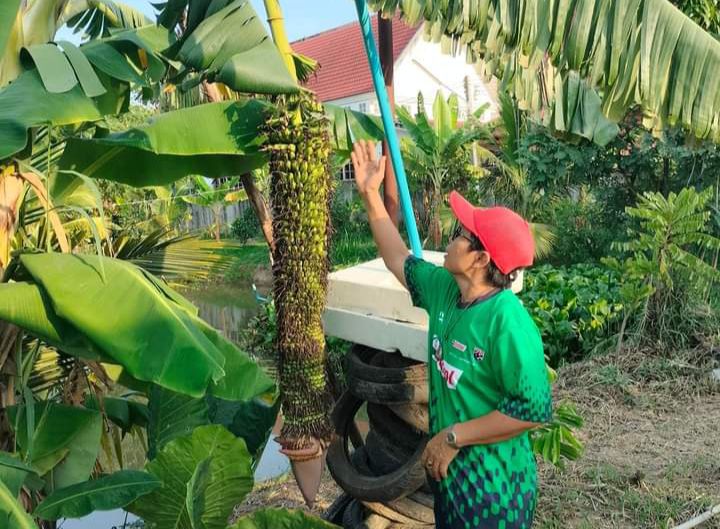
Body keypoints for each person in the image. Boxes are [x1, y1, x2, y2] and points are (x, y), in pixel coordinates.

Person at [351, 140, 553, 529]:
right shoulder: (445, 289)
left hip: (496, 491)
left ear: (481, 259)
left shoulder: (508, 322)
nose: (451, 235)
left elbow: (532, 412)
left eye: (462, 233)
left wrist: (452, 437)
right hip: (451, 481)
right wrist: (370, 194)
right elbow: (397, 257)